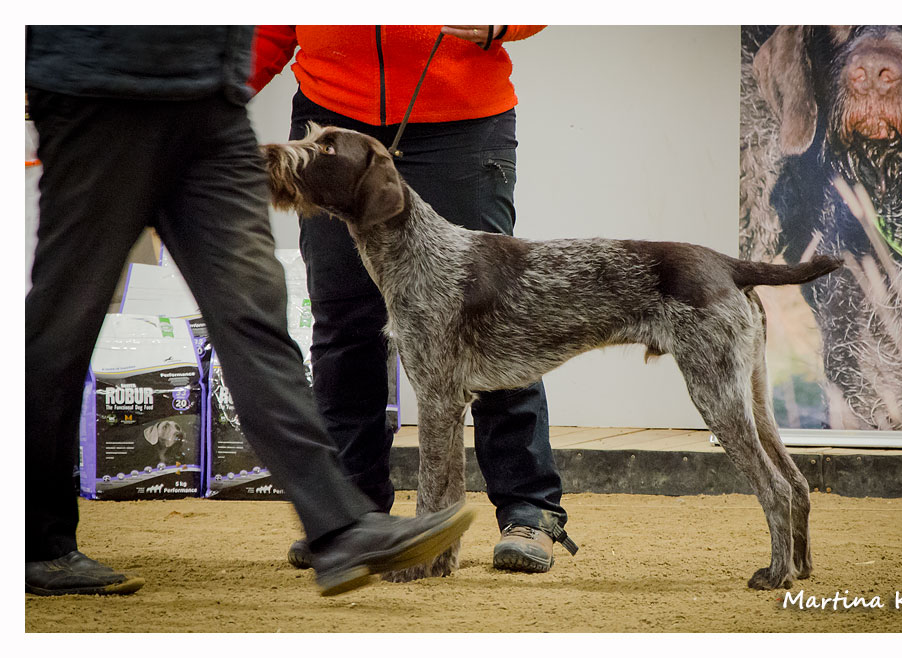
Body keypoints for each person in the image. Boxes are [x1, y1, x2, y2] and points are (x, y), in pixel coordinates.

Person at [25, 25, 473, 598]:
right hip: (103, 97)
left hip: (213, 107)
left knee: (256, 316)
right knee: (66, 321)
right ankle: (39, 540)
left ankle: (340, 528)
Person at [251, 25, 576, 573]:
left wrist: (500, 23)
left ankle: (529, 510)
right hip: (334, 118)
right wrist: (209, 96)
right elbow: (270, 26)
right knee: (341, 322)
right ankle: (350, 517)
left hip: (459, 124)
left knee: (492, 316)